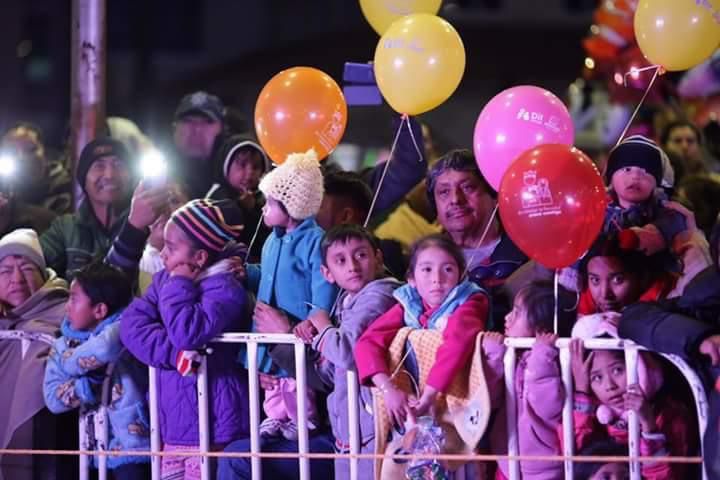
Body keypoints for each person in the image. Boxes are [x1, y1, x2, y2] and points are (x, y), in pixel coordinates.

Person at [120, 199, 250, 479]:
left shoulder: (225, 289)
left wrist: (180, 284)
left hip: (214, 424)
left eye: (172, 247)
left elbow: (187, 333)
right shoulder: (164, 280)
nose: (163, 253)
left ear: (200, 257)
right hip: (173, 424)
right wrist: (174, 356)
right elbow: (131, 325)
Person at [245, 149, 337, 439]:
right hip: (268, 326)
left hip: (296, 326)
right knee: (273, 379)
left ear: (291, 205)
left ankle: (303, 416)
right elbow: (269, 277)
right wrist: (247, 273)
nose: (264, 208)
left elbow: (323, 283)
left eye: (270, 203)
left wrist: (314, 317)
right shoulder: (271, 241)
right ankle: (276, 415)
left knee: (295, 379)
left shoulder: (315, 241)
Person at [354, 234, 489, 427]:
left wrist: (428, 397)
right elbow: (367, 344)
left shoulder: (470, 301)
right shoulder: (408, 304)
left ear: (460, 276)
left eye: (448, 269)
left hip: (458, 401)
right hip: (418, 399)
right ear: (411, 279)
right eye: (426, 269)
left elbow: (456, 343)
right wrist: (389, 390)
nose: (437, 279)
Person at [42, 262, 149, 479]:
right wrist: (87, 385)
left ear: (100, 310)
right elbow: (53, 399)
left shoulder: (125, 328)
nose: (67, 306)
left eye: (74, 298)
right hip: (91, 451)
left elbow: (106, 347)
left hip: (134, 446)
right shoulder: (62, 345)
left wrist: (73, 364)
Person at [311, 224, 401, 479]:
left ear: (378, 257)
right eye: (341, 260)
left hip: (371, 420)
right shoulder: (348, 299)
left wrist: (323, 326)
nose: (352, 265)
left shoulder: (380, 294)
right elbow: (333, 368)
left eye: (361, 254)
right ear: (327, 273)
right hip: (349, 420)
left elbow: (348, 352)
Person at [425, 149, 528, 329]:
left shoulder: (527, 252)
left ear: (495, 195)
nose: (455, 199)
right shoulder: (424, 260)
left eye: (468, 187)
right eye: (444, 192)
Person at [484, 281, 576, 480]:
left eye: (517, 313)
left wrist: (542, 357)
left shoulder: (553, 362)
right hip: (506, 462)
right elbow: (489, 399)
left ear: (541, 330)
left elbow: (545, 407)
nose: (507, 318)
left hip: (542, 472)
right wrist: (494, 357)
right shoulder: (514, 357)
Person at [570, 338, 693, 479]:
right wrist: (581, 390)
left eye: (617, 370)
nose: (610, 385)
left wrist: (648, 425)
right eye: (597, 377)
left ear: (640, 367)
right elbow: (575, 456)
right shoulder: (597, 415)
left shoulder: (671, 414)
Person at [0, 229, 69, 479]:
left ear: (43, 275)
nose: (17, 278)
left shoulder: (68, 314)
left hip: (53, 440)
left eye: (27, 268)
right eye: (5, 271)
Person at [40, 138, 135, 281]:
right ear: (83, 179)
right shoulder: (66, 228)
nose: (109, 175)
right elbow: (33, 258)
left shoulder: (147, 225)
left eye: (119, 165)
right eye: (99, 166)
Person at [602, 136, 687, 258]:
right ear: (611, 178)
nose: (636, 176)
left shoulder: (668, 211)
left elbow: (671, 225)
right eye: (627, 169)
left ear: (657, 183)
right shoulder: (598, 211)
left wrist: (642, 236)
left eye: (645, 171)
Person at [206, 134, 271, 261]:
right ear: (226, 165)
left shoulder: (263, 197)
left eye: (256, 167)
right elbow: (214, 226)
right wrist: (241, 207)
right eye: (242, 165)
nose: (250, 172)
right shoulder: (216, 195)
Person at [1, 122, 73, 214]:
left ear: (44, 152)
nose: (22, 158)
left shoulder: (64, 188)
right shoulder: (5, 189)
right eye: (12, 152)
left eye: (31, 149)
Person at [172, 91, 226, 199]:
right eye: (188, 121)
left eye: (207, 122)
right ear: (174, 127)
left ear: (220, 128)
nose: (197, 129)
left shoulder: (232, 175)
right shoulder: (154, 175)